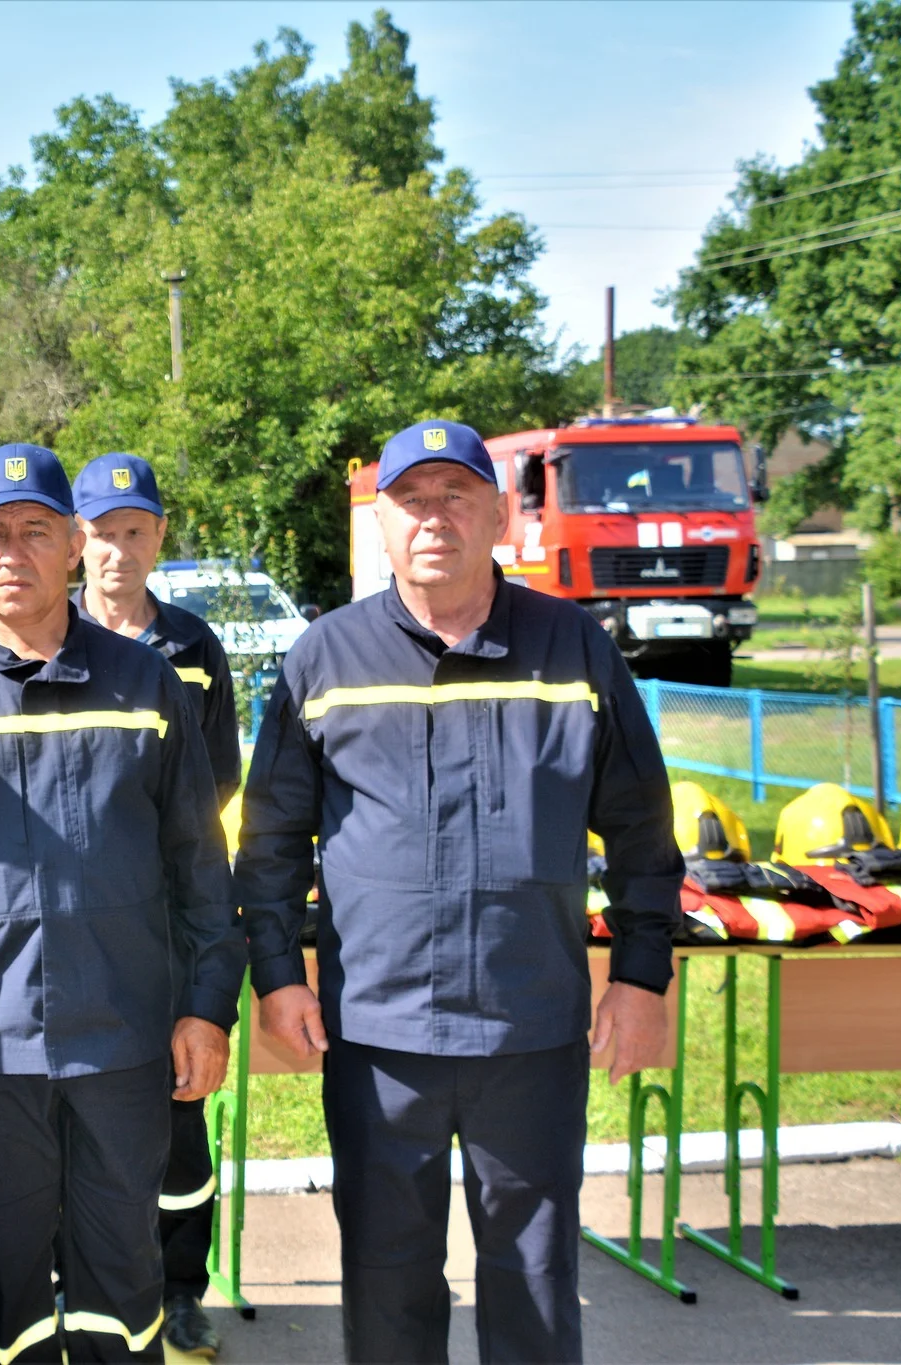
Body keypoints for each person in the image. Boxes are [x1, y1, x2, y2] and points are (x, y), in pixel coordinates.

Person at [233, 420, 682, 1364]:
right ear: (383, 525)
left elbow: (644, 831)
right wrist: (278, 976)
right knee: (389, 1277)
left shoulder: (574, 648)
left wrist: (642, 978)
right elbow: (270, 843)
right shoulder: (324, 658)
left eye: (456, 496)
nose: (434, 518)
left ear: (500, 513)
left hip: (531, 1027)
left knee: (533, 1279)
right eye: (412, 501)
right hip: (377, 1034)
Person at [0, 444, 243, 1364]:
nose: (14, 552)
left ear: (73, 544)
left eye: (36, 531)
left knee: (123, 1284)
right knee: (10, 1285)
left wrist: (206, 1005)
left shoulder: (147, 685)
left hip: (124, 1040)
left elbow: (199, 863)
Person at [69, 452, 241, 1360]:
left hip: (168, 922)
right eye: (100, 533)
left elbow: (215, 785)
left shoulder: (193, 649)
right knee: (72, 1110)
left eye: (134, 532)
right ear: (75, 539)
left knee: (179, 1115)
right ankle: (74, 1275)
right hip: (77, 924)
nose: (116, 551)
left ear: (159, 537)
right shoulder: (49, 643)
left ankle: (180, 1287)